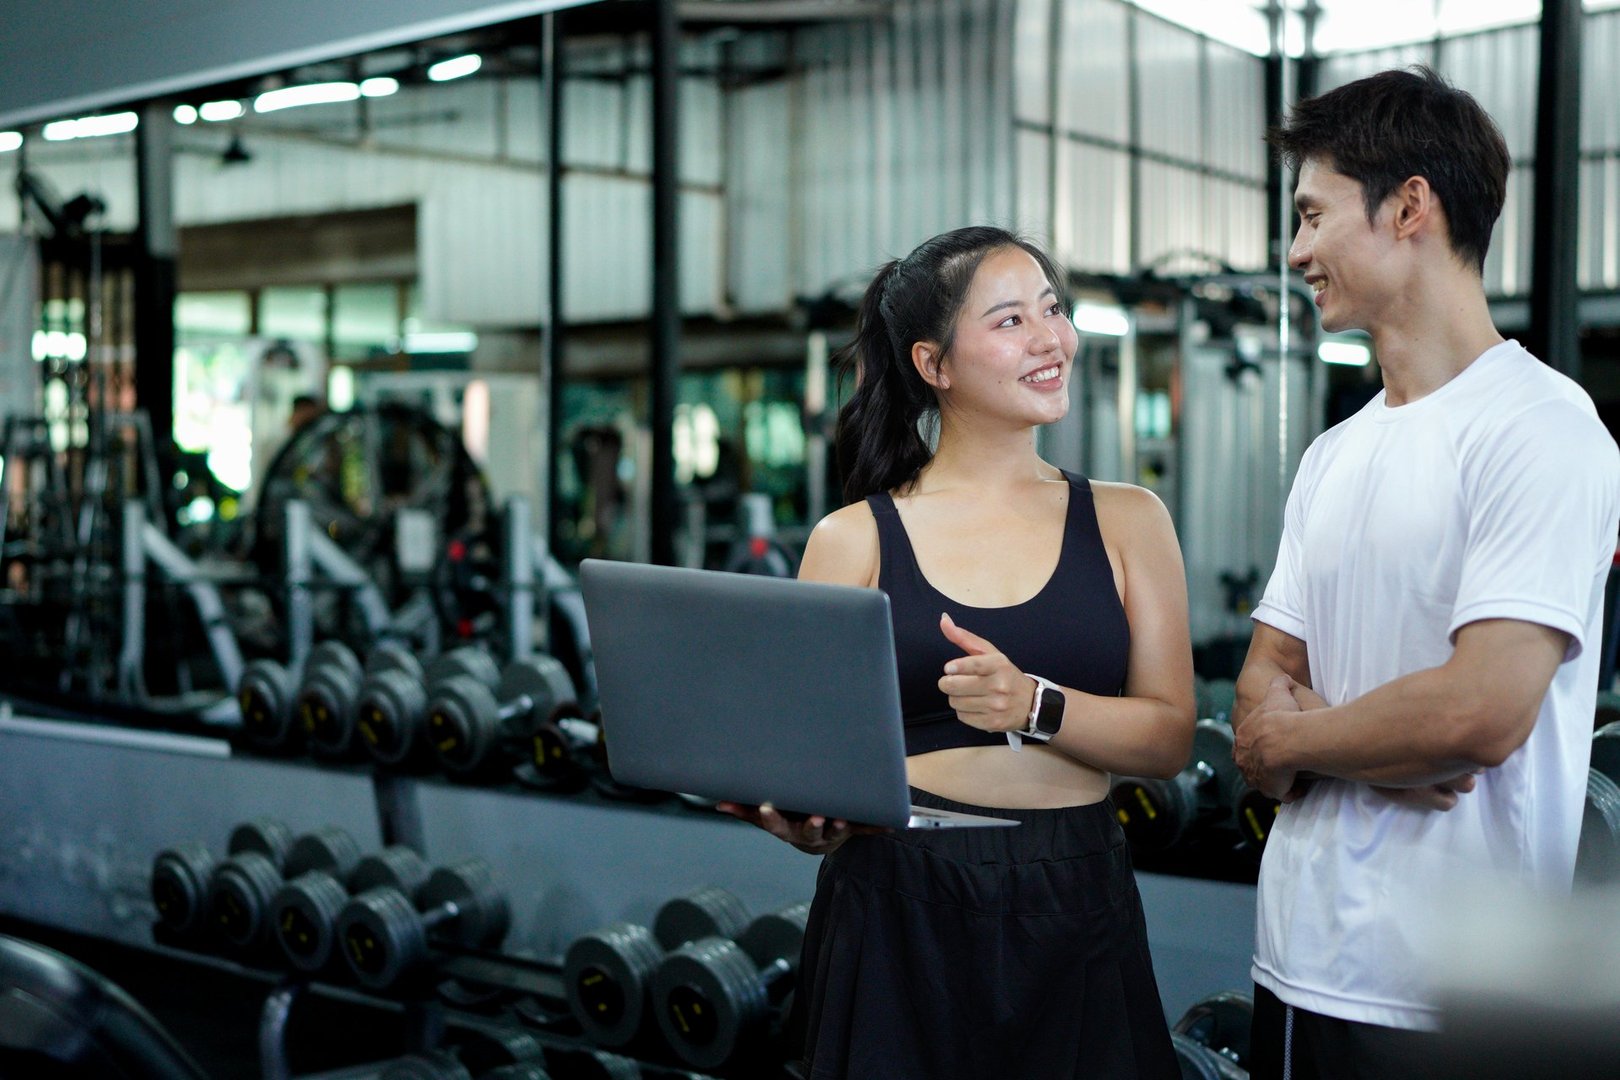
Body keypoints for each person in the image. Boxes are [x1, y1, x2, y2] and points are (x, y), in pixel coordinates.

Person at [719, 225, 1195, 1079]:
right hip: (899, 896)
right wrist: (802, 816)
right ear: (934, 365)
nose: (1050, 339)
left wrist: (1034, 704)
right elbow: (813, 760)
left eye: (1053, 310)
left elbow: (1167, 739)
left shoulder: (1131, 520)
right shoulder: (853, 538)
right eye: (1010, 320)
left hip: (1075, 889)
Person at [1231, 67, 1620, 1080]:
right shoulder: (1334, 455)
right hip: (1293, 957)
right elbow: (1252, 709)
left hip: (1449, 993)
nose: (1296, 250)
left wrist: (1306, 736)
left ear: (1410, 205)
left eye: (1313, 215)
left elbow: (1476, 716)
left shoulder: (1540, 429)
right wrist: (1359, 739)